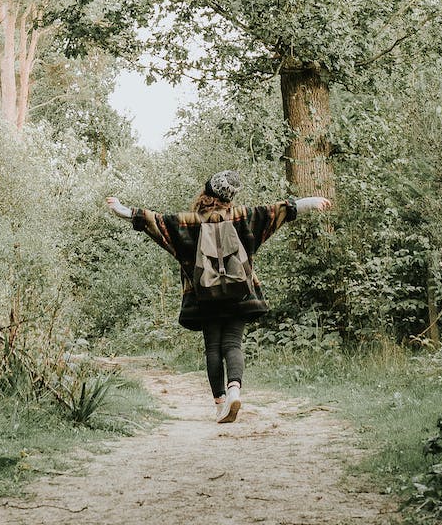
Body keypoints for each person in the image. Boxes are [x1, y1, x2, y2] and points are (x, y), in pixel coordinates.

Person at [105, 170, 332, 424]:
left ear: (207, 192)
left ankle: (220, 404)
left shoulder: (188, 223)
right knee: (233, 345)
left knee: (213, 347)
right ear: (229, 196)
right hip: (239, 294)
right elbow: (277, 211)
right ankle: (235, 389)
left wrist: (121, 209)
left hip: (204, 296)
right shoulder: (244, 217)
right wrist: (312, 202)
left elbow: (154, 221)